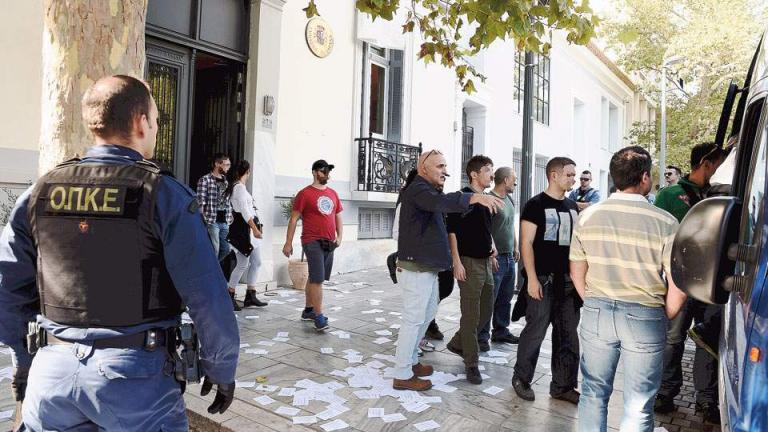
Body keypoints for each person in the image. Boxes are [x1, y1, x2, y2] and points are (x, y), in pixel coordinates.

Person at [0, 75, 239, 431]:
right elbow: (207, 294)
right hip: (136, 384)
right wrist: (221, 367)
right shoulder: (164, 195)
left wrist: (24, 359)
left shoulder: (40, 192)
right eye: (156, 120)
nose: (156, 129)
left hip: (51, 376)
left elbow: (7, 288)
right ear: (141, 122)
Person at [570, 145, 687, 431]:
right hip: (645, 314)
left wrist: (593, 301)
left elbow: (577, 271)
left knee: (593, 393)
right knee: (638, 403)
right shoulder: (665, 222)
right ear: (644, 177)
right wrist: (665, 314)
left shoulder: (588, 216)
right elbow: (679, 282)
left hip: (597, 311)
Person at [391, 149, 503, 391]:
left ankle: (411, 361)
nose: (445, 171)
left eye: (445, 166)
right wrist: (472, 198)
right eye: (440, 166)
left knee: (427, 313)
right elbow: (439, 203)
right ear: (423, 168)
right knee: (413, 320)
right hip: (415, 268)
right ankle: (402, 373)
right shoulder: (419, 189)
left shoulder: (429, 190)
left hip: (427, 267)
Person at [653, 142, 726, 423]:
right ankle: (665, 392)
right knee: (673, 339)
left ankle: (706, 400)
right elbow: (657, 236)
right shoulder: (670, 195)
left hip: (713, 283)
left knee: (707, 341)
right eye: (718, 163)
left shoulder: (721, 195)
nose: (720, 169)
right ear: (706, 163)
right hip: (680, 281)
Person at [511, 157, 581, 404]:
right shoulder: (535, 205)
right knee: (535, 333)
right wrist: (531, 279)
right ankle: (521, 378)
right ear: (554, 175)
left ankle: (563, 386)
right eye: (569, 175)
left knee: (568, 336)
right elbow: (526, 243)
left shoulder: (572, 206)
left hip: (569, 283)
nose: (573, 179)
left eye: (574, 175)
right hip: (542, 280)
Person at [445, 155, 498, 385]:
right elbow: (452, 232)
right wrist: (456, 262)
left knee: (486, 309)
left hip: (486, 261)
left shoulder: (487, 199)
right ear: (474, 174)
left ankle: (459, 342)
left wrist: (492, 248)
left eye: (492, 170)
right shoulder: (462, 198)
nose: (491, 174)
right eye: (487, 170)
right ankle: (471, 363)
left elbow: (486, 229)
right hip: (468, 262)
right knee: (471, 314)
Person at [282, 160, 343, 332]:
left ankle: (309, 310)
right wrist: (288, 243)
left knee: (314, 276)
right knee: (317, 279)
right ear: (315, 172)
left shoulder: (333, 193)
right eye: (324, 171)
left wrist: (339, 237)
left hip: (330, 242)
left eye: (328, 171)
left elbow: (338, 215)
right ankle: (319, 316)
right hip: (312, 241)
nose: (327, 175)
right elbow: (294, 219)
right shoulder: (304, 194)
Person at [477, 167, 520, 349]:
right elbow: (484, 230)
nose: (516, 182)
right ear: (505, 180)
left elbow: (510, 225)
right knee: (489, 299)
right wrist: (490, 254)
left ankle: (501, 331)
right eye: (514, 179)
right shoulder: (489, 200)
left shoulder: (509, 200)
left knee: (505, 297)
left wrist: (515, 246)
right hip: (496, 258)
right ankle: (481, 336)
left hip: (509, 257)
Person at [225, 160, 268, 310]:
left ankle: (251, 294)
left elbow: (250, 210)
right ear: (248, 171)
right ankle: (229, 294)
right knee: (242, 264)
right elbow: (244, 212)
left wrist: (256, 227)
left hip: (249, 231)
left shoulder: (240, 188)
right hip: (243, 232)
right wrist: (255, 229)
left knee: (256, 262)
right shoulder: (239, 188)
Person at [197, 153, 233, 260]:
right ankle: (212, 268)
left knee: (226, 249)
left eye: (229, 165)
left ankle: (211, 267)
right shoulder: (205, 180)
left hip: (225, 221)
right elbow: (200, 202)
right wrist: (202, 220)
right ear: (217, 164)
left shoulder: (226, 181)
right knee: (215, 250)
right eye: (226, 165)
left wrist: (230, 214)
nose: (228, 167)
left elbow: (227, 201)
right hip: (212, 221)